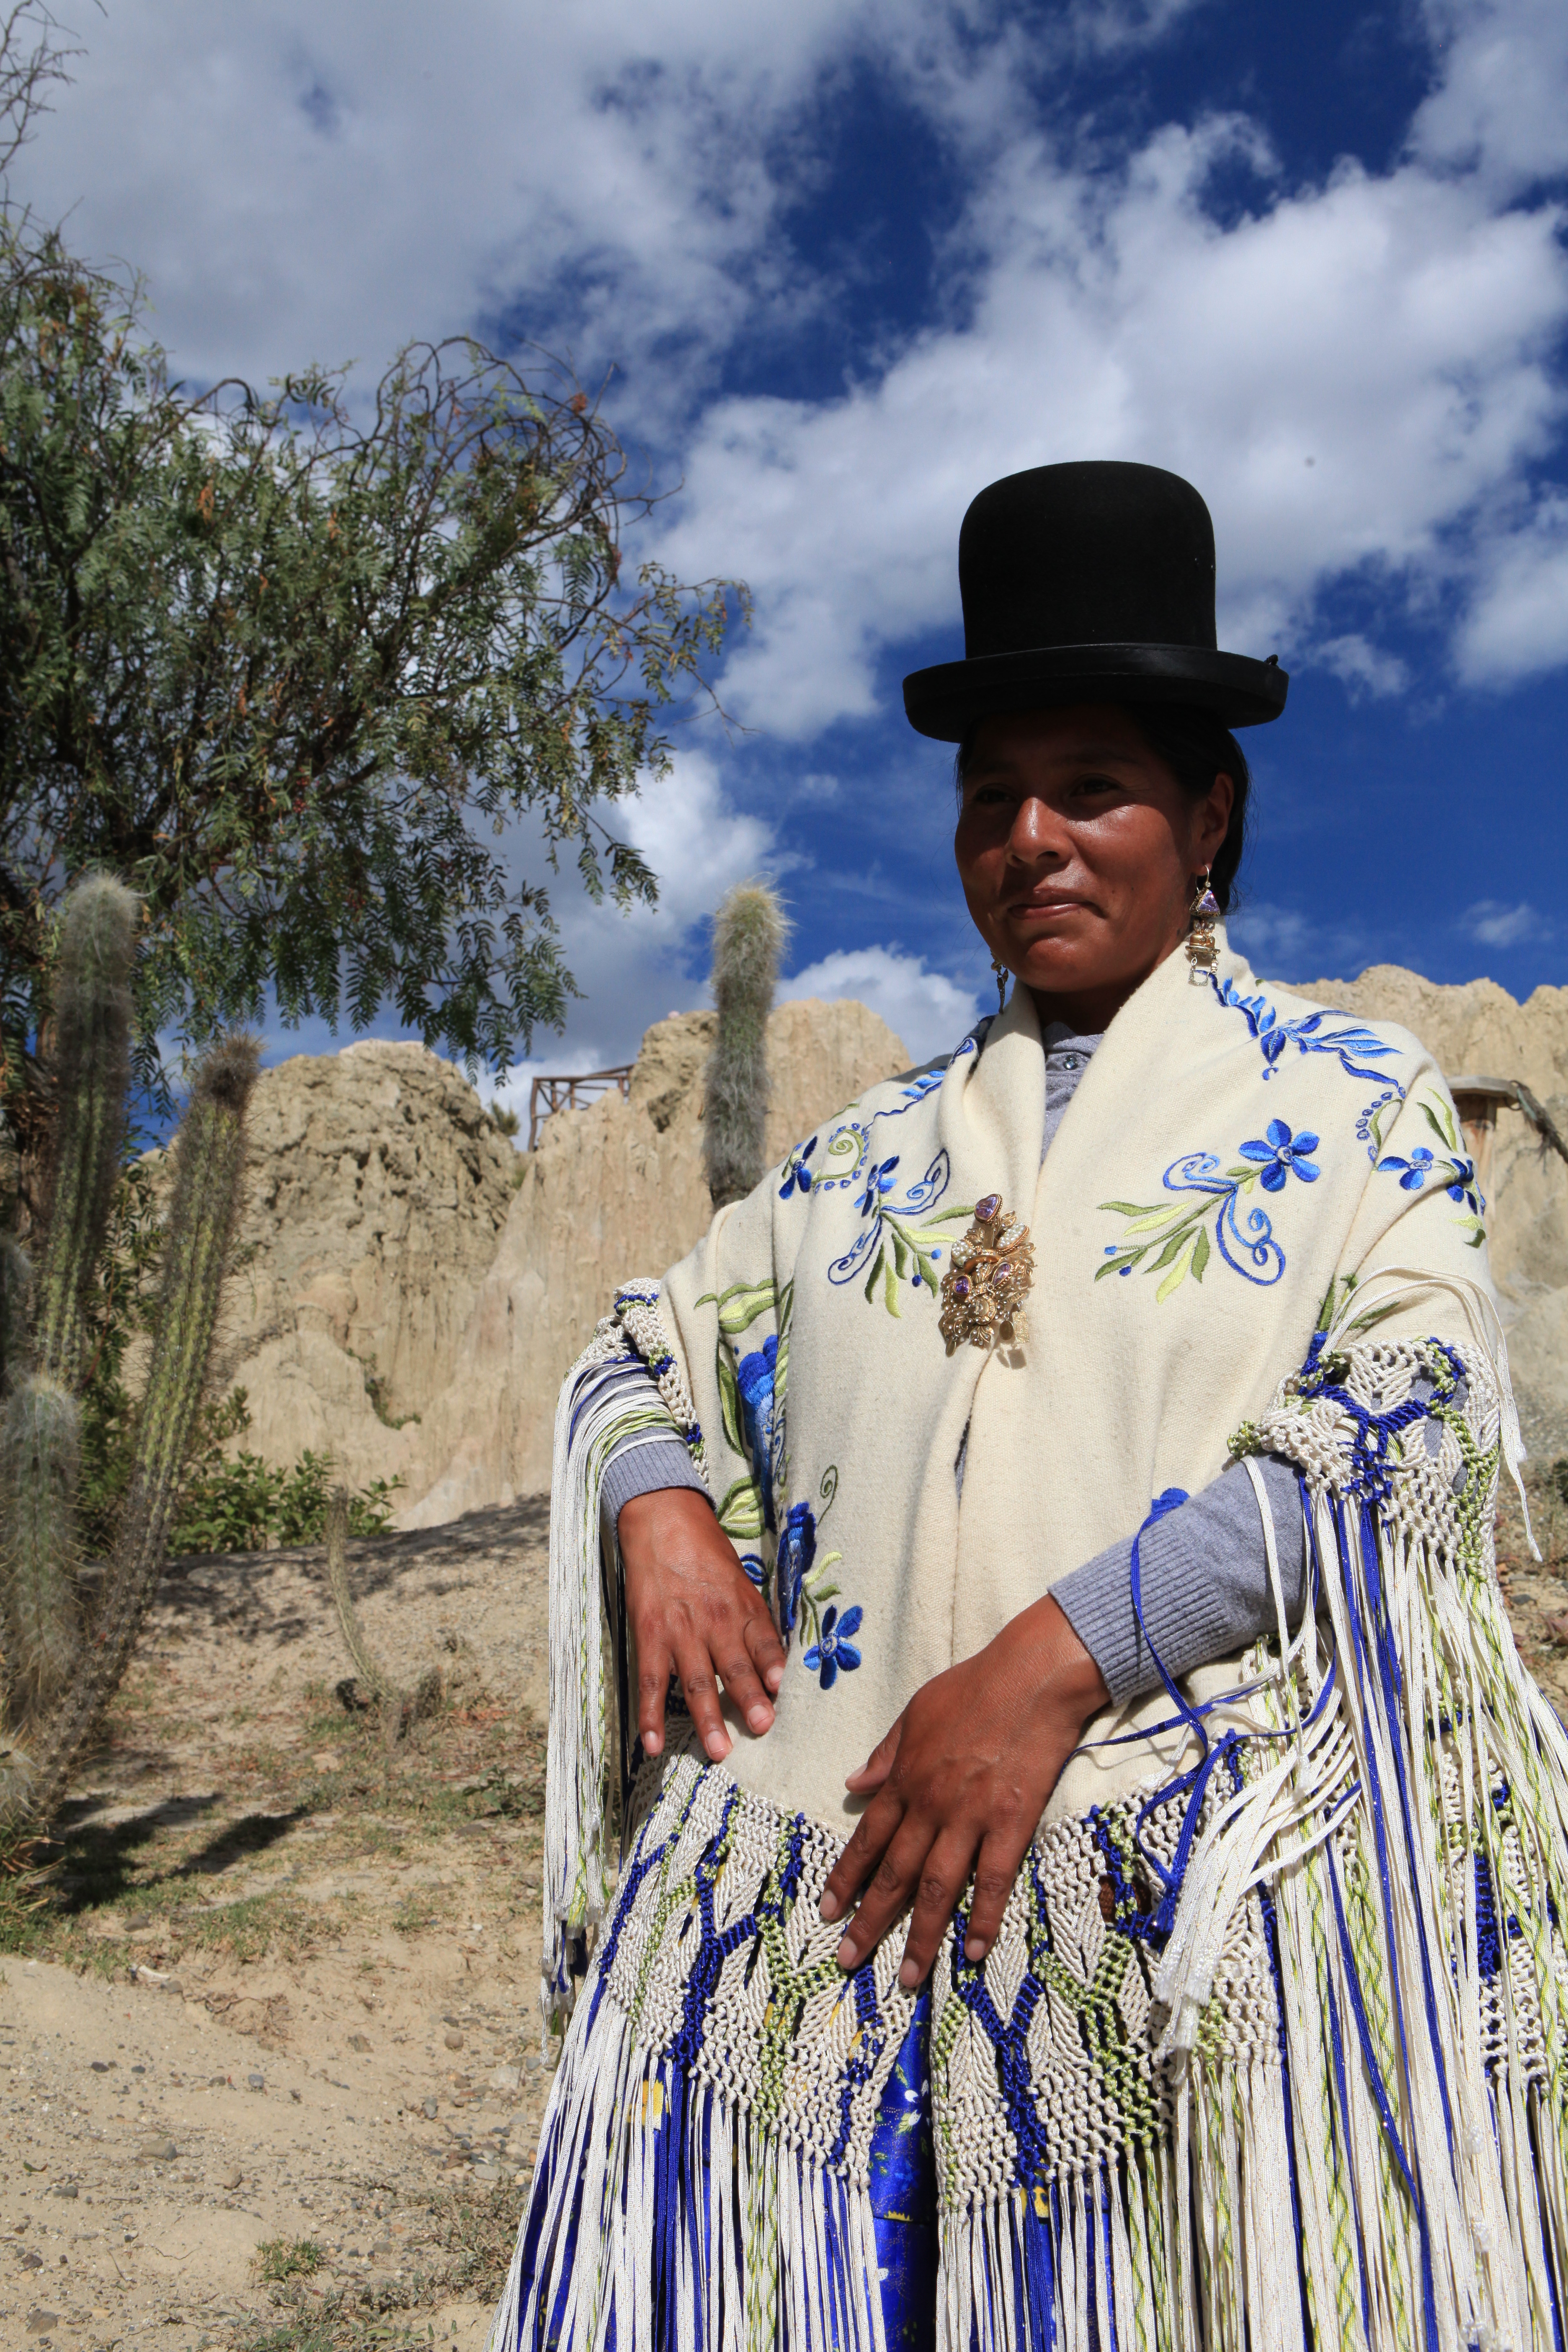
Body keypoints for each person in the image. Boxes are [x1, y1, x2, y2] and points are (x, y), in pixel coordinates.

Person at [488, 462, 1568, 2352]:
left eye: (1093, 787)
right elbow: (636, 1353)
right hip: (824, 1940)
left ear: (1208, 810)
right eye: (993, 797)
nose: (1033, 839)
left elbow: (1408, 1424)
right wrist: (660, 1511)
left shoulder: (1343, 1103)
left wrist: (1055, 1660)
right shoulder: (861, 1158)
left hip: (1173, 1975)